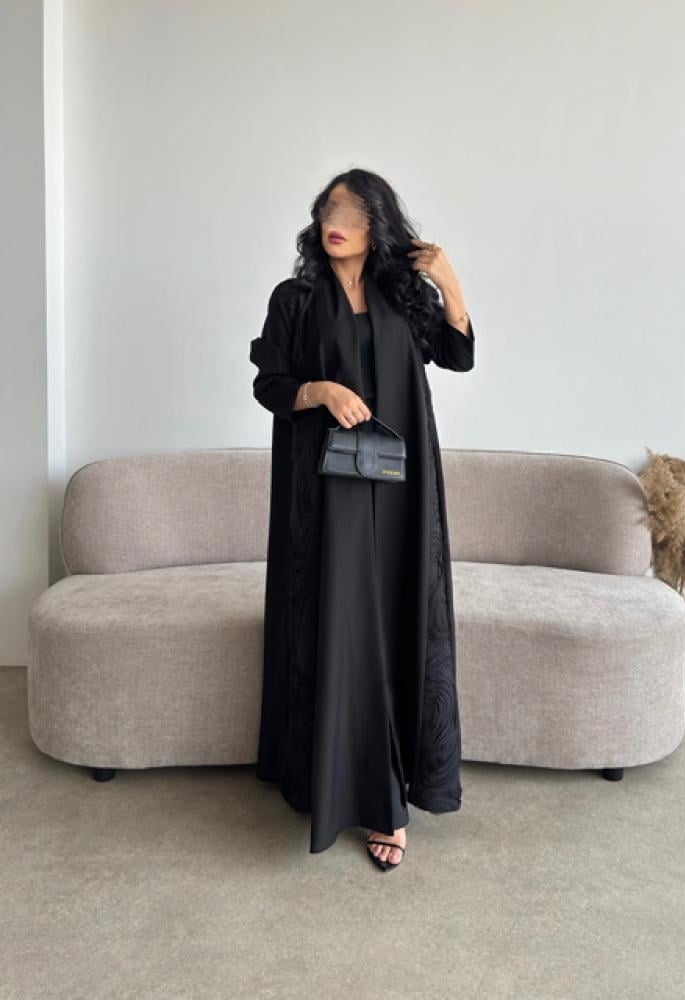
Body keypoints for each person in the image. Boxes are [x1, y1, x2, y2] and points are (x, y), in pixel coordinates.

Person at [249, 168, 475, 871]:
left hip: (401, 487)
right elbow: (269, 385)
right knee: (337, 624)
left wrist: (449, 281)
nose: (334, 221)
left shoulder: (403, 296)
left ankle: (390, 795)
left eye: (350, 211)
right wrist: (319, 390)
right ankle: (343, 785)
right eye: (327, 209)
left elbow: (458, 355)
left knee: (397, 618)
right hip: (324, 488)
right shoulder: (294, 298)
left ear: (377, 223)